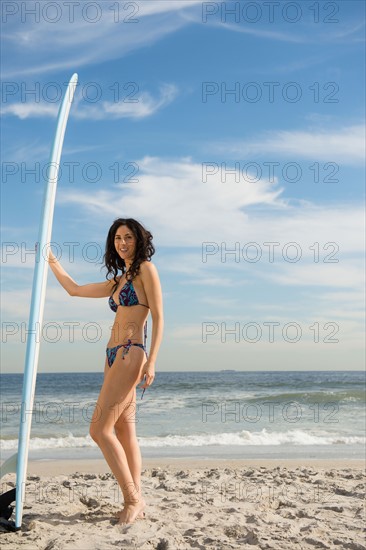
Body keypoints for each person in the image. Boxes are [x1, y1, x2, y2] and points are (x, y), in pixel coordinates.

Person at [47, 218, 164, 524]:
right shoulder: (119, 280)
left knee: (99, 430)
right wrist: (51, 261)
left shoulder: (146, 271)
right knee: (125, 430)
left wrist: (152, 362)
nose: (122, 243)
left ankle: (132, 499)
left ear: (139, 240)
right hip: (111, 355)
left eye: (127, 237)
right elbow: (74, 289)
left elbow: (161, 318)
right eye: (117, 238)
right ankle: (137, 497)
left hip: (130, 352)